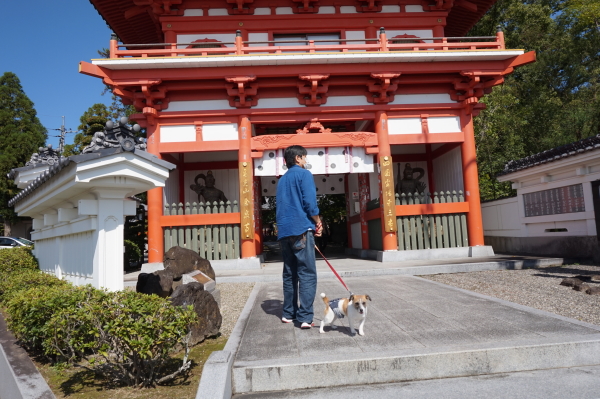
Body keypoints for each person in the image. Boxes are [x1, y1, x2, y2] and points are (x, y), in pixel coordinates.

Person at [276, 145, 323, 329]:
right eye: (304, 157)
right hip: (301, 229)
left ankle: (288, 313)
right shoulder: (304, 175)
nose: (305, 161)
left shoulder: (281, 181)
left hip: (284, 231)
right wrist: (318, 221)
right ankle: (305, 316)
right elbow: (310, 203)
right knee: (307, 273)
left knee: (289, 273)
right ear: (297, 159)